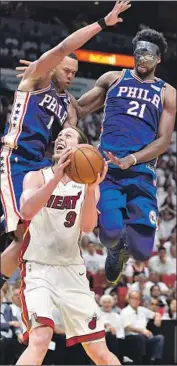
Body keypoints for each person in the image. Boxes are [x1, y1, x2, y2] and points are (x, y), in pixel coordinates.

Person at [0, 0, 131, 289]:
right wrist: (102, 23)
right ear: (54, 67)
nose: (71, 76)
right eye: (67, 70)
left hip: (43, 166)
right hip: (15, 160)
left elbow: (75, 132)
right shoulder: (36, 79)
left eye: (74, 72)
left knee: (42, 231)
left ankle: (112, 238)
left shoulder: (68, 104)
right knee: (25, 233)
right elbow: (61, 49)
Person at [75, 28, 176, 284]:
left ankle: (124, 250)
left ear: (159, 59)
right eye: (139, 53)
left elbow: (164, 140)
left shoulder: (167, 92)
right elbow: (80, 108)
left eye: (149, 54)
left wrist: (133, 159)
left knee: (143, 252)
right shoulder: (113, 78)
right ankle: (114, 248)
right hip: (108, 169)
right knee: (108, 234)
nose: (143, 58)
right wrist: (48, 81)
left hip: (141, 172)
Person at [15, 126, 120, 365]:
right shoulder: (37, 176)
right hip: (38, 268)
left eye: (68, 136)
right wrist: (56, 178)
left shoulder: (87, 186)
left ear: (82, 148)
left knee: (98, 350)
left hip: (72, 270)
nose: (61, 138)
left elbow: (87, 226)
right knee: (41, 338)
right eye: (60, 136)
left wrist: (92, 188)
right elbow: (26, 210)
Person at [120, 290, 164, 365]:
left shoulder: (142, 310)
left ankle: (154, 360)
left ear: (139, 300)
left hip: (145, 336)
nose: (135, 300)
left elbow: (155, 314)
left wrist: (157, 317)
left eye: (137, 298)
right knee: (140, 337)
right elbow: (128, 327)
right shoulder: (124, 311)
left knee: (160, 338)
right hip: (131, 337)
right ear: (129, 299)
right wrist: (142, 331)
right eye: (133, 298)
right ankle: (142, 362)